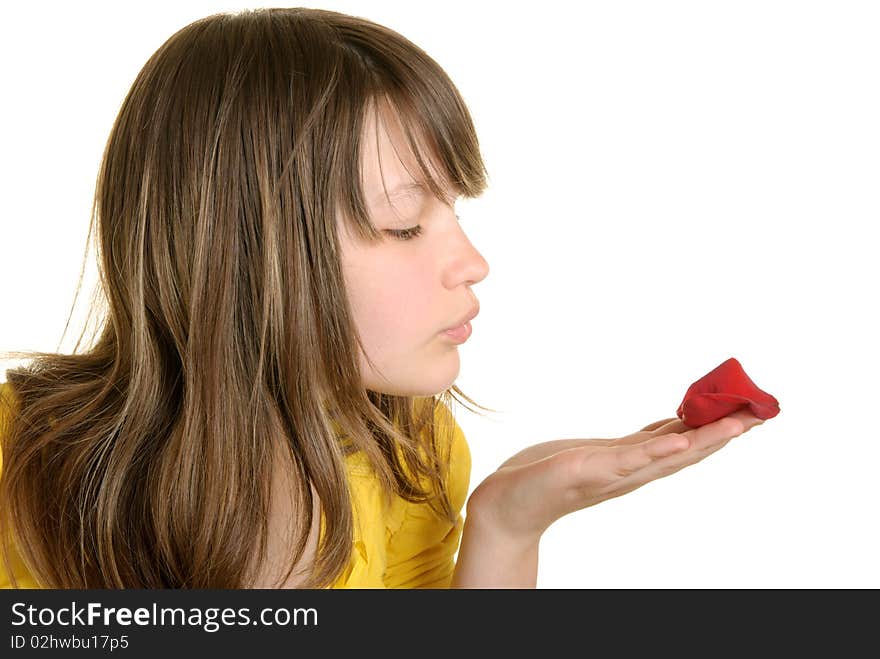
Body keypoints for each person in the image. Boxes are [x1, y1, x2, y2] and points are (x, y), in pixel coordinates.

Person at [0, 7, 766, 590]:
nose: (471, 262)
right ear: (246, 259)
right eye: (404, 226)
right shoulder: (18, 460)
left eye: (453, 215)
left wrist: (506, 524)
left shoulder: (414, 454)